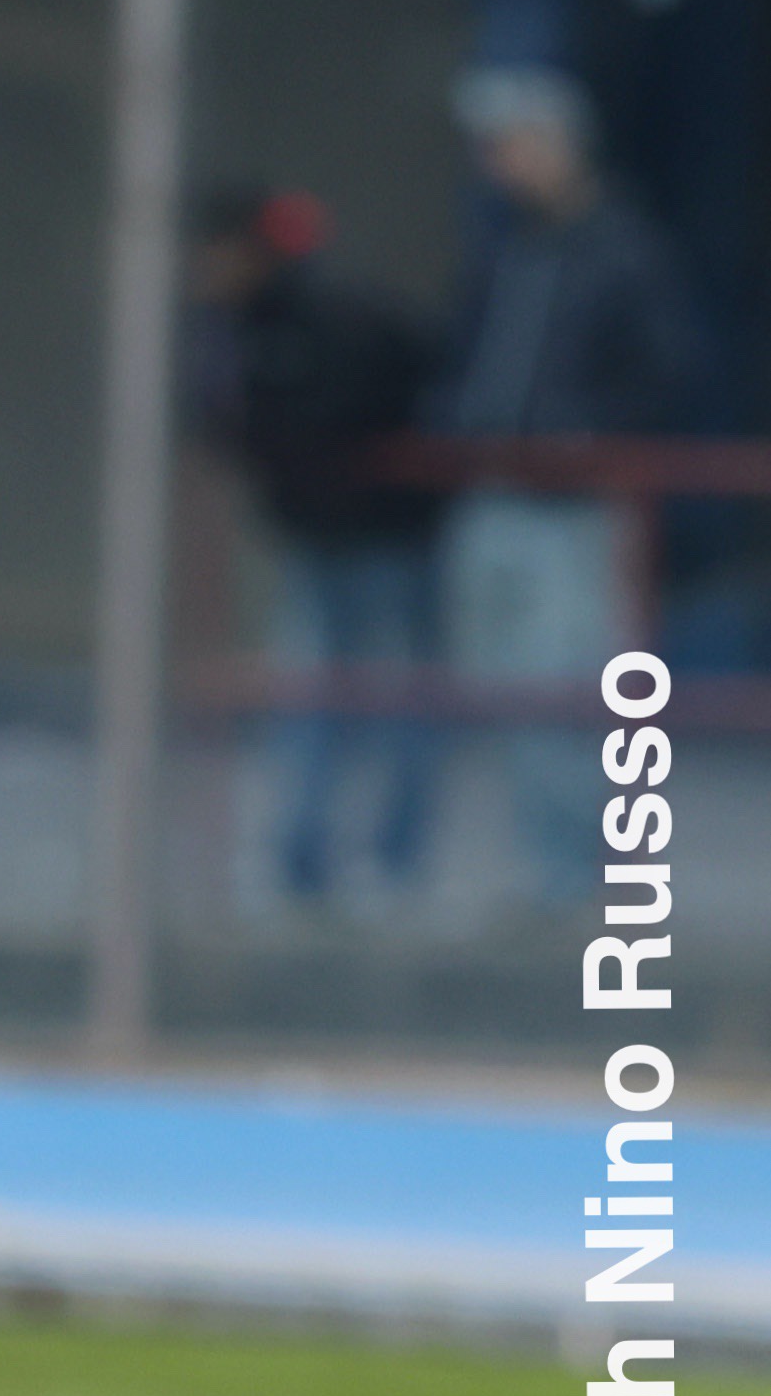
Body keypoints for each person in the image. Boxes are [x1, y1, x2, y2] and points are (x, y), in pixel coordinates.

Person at [436, 66, 703, 909]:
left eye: (512, 144)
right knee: (500, 689)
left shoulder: (622, 249)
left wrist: (587, 434)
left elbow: (669, 371)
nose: (498, 164)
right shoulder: (506, 246)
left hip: (574, 508)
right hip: (491, 493)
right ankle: (548, 872)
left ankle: (590, 878)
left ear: (559, 145)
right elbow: (468, 353)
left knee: (566, 690)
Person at [183, 186, 443, 911]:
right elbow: (213, 417)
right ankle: (302, 865)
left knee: (393, 701)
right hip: (316, 542)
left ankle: (391, 867)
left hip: (389, 541)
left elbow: (382, 399)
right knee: (306, 700)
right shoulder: (228, 329)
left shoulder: (338, 316)